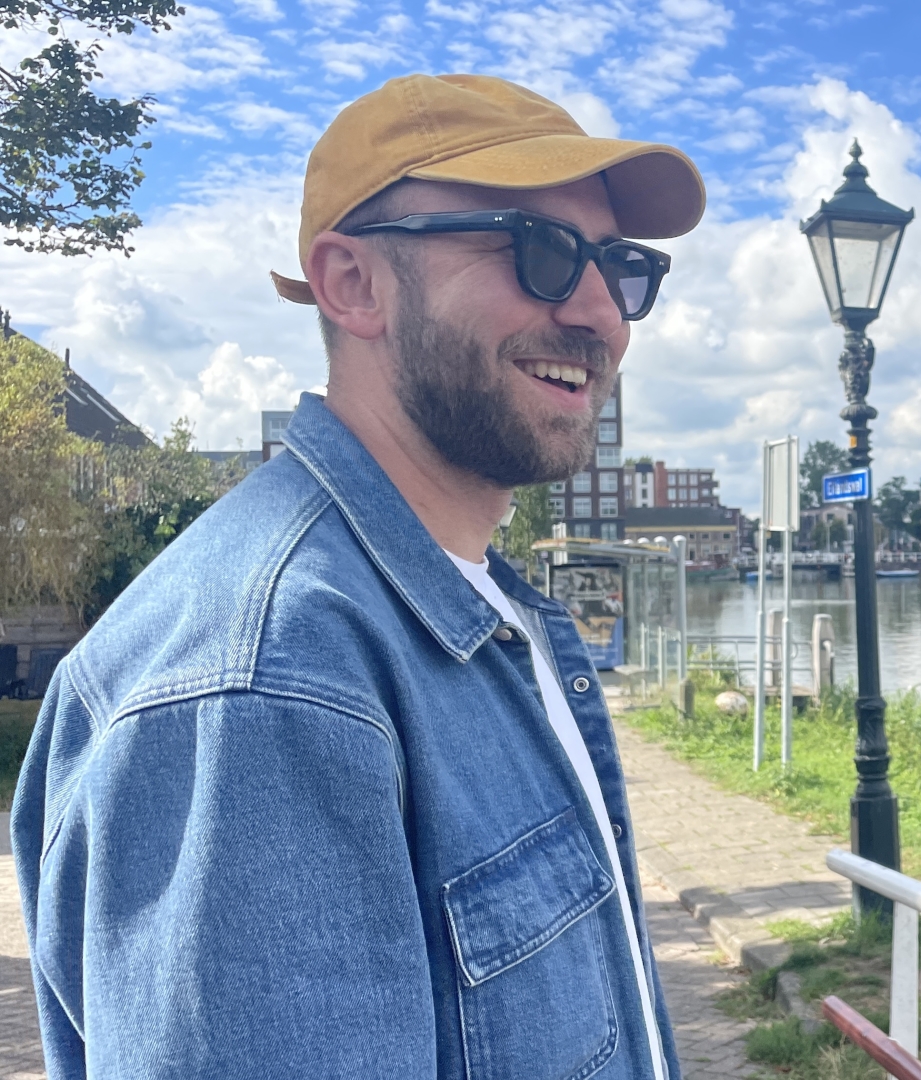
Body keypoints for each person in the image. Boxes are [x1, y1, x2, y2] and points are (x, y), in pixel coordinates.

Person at [11, 74, 705, 1079]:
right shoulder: (269, 686)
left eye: (621, 265)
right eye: (540, 252)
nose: (603, 313)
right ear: (353, 285)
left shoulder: (494, 617)